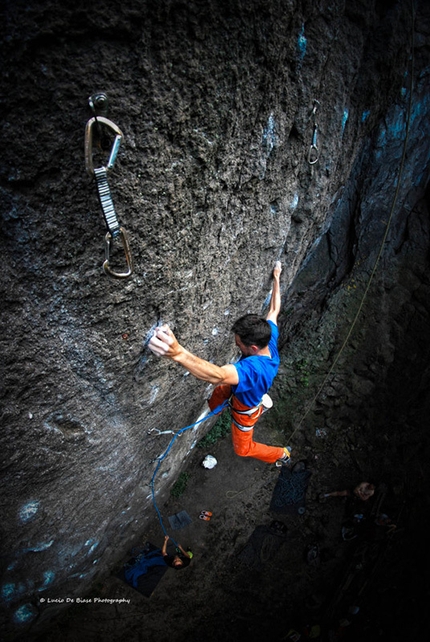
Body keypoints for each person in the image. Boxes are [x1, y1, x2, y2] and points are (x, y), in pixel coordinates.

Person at [148, 262, 290, 466]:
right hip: (241, 389)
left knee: (243, 449)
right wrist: (276, 277)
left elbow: (217, 375)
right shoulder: (269, 337)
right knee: (222, 391)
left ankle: (280, 454)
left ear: (253, 348)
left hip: (246, 409)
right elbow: (274, 309)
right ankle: (217, 409)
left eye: (239, 344)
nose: (235, 344)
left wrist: (177, 353)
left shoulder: (254, 370)